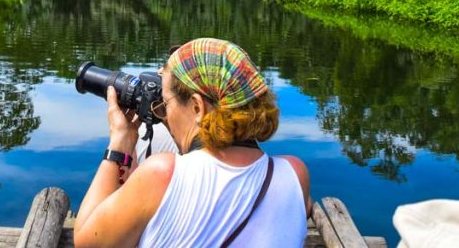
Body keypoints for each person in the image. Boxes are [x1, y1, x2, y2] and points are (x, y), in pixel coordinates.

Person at [74, 38, 311, 248]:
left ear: (197, 107)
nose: (163, 112)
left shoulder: (161, 174)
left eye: (165, 102)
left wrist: (119, 142)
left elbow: (86, 241)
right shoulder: (295, 173)